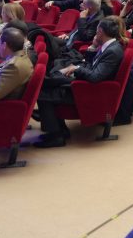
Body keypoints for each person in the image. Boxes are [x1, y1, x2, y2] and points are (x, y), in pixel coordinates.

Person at [35, 17, 126, 148]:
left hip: (89, 91)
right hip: (86, 84)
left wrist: (76, 69)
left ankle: (56, 136)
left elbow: (95, 77)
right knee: (49, 82)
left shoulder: (112, 51)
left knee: (43, 94)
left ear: (101, 32)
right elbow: (93, 65)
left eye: (97, 31)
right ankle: (60, 130)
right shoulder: (109, 45)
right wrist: (92, 48)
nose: (95, 34)